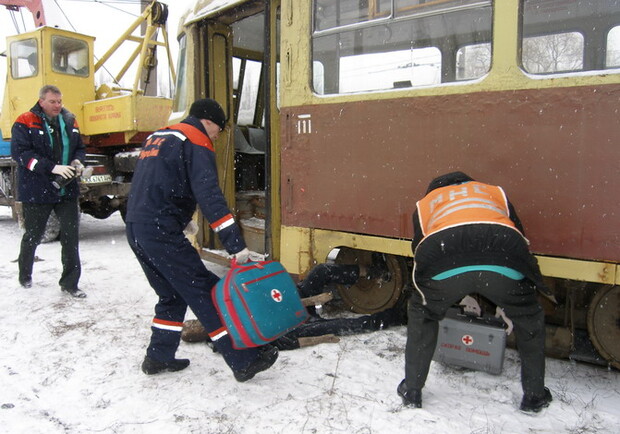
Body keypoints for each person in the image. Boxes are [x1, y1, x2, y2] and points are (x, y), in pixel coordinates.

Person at [125, 98, 277, 382]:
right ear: (208, 121)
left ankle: (158, 357)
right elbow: (210, 197)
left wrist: (179, 218)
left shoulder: (159, 136)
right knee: (208, 292)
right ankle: (244, 359)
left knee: (171, 294)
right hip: (160, 231)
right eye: (219, 130)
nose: (218, 137)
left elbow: (156, 181)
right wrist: (236, 246)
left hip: (136, 227)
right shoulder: (195, 138)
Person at [398, 172, 552, 413]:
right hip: (503, 253)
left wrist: (437, 289)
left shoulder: (426, 203)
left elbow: (419, 247)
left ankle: (412, 390)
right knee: (528, 317)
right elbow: (519, 232)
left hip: (443, 256)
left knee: (423, 313)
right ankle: (534, 396)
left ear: (435, 189)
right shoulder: (494, 191)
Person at [11, 85, 86, 297]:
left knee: (71, 237)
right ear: (41, 101)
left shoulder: (70, 120)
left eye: (59, 101)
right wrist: (51, 167)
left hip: (67, 190)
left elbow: (80, 146)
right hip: (37, 191)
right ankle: (25, 275)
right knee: (33, 235)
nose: (57, 105)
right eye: (53, 102)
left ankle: (70, 283)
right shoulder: (25, 120)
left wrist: (78, 160)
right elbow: (21, 153)